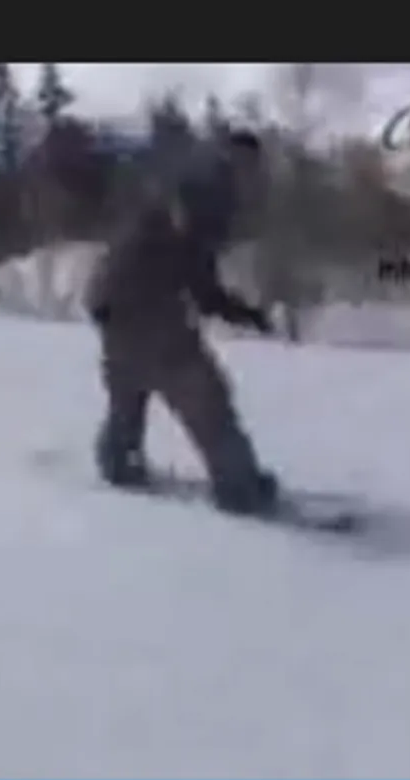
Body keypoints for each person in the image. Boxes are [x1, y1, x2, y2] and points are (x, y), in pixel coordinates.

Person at [83, 129, 280, 515]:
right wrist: (240, 311)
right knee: (203, 393)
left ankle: (118, 461)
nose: (253, 176)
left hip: (112, 298)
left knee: (129, 385)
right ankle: (238, 487)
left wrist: (241, 312)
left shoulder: (194, 182)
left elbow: (194, 273)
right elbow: (199, 279)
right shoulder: (209, 193)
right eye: (249, 166)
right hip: (142, 299)